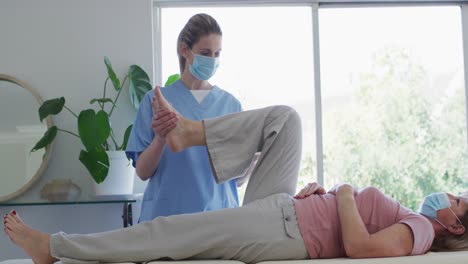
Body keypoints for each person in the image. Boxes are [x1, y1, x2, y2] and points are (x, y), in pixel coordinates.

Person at [4, 87, 468, 264]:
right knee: (286, 119)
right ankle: (188, 133)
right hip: (290, 210)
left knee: (170, 231)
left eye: (458, 200)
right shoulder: (419, 218)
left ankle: (56, 247)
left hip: (287, 231)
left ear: (455, 225)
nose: (446, 195)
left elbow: (361, 247)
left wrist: (344, 193)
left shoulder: (423, 228)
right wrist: (320, 195)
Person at [125, 13, 243, 221]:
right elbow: (143, 172)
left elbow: (238, 179)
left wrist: (256, 159)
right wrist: (160, 139)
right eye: (206, 53)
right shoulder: (155, 101)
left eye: (217, 54)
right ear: (184, 50)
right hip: (167, 219)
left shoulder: (231, 105)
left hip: (219, 219)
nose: (212, 60)